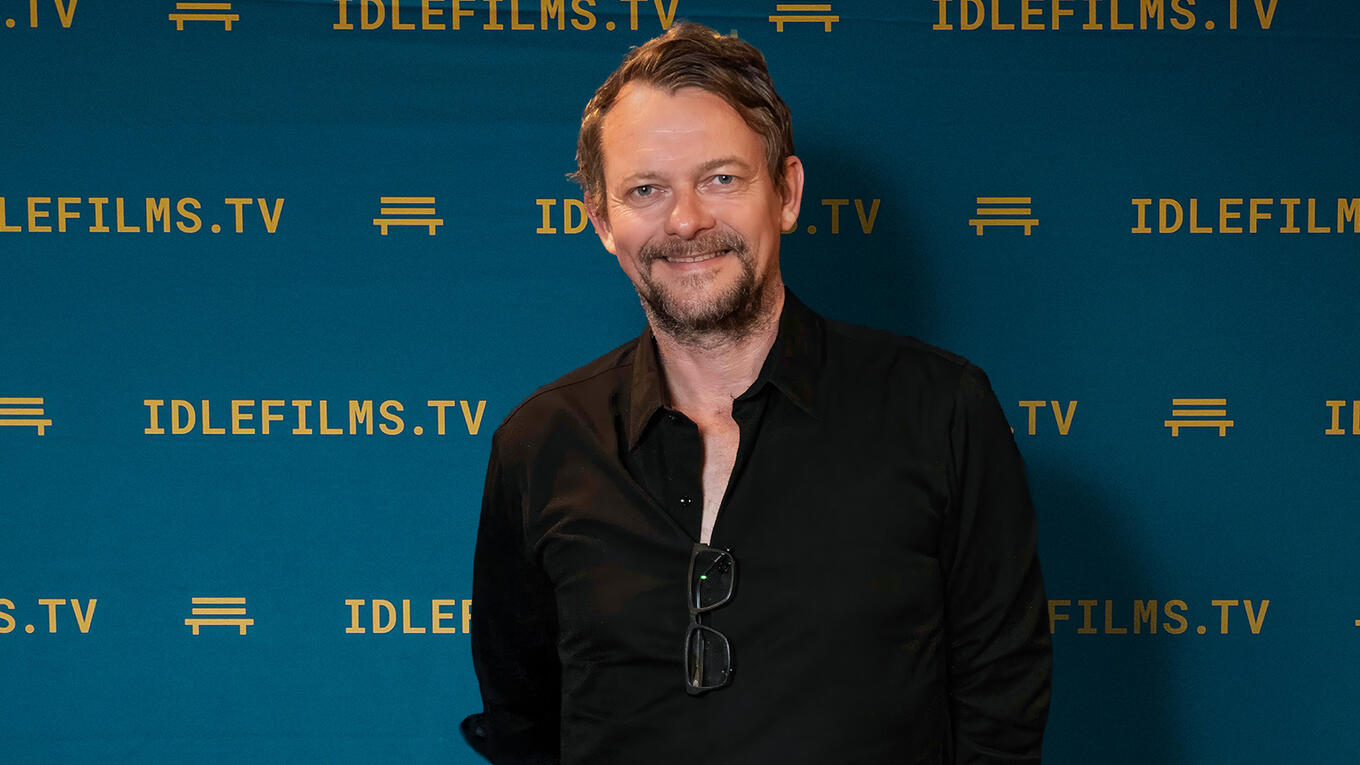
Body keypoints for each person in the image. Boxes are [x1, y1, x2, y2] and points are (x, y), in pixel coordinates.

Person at [462, 22, 1051, 764]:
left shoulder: (942, 411)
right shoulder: (541, 442)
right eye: (646, 189)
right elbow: (522, 719)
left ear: (787, 193)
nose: (686, 220)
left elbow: (1002, 702)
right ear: (603, 222)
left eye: (721, 178)